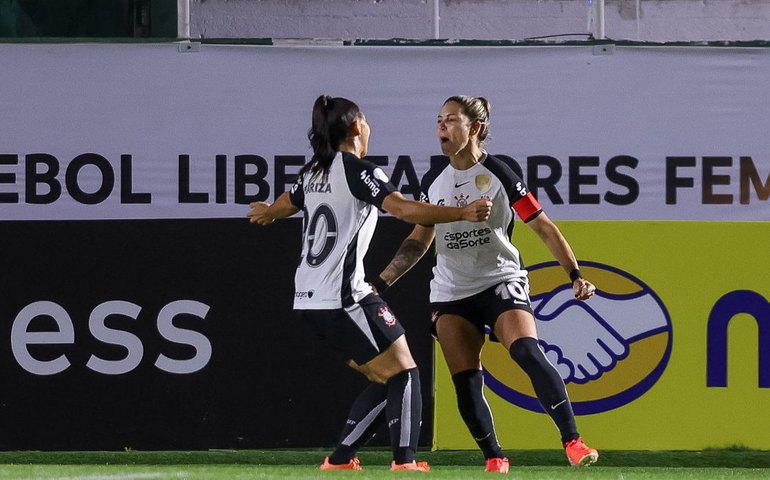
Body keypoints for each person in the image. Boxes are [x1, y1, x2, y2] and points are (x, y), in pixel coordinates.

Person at [248, 95, 492, 472]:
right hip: (345, 296)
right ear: (358, 125)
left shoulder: (313, 171)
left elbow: (288, 201)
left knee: (386, 375)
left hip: (308, 300)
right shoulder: (359, 170)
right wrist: (461, 212)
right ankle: (404, 462)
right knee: (406, 372)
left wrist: (269, 213)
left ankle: (341, 460)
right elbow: (403, 209)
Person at [371, 96, 600, 472]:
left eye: (451, 120)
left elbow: (543, 226)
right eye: (439, 121)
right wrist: (381, 282)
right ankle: (494, 457)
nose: (441, 127)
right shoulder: (434, 181)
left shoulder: (502, 174)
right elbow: (417, 242)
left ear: (474, 128)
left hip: (500, 280)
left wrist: (574, 274)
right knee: (465, 380)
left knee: (527, 351)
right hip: (451, 291)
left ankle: (573, 441)